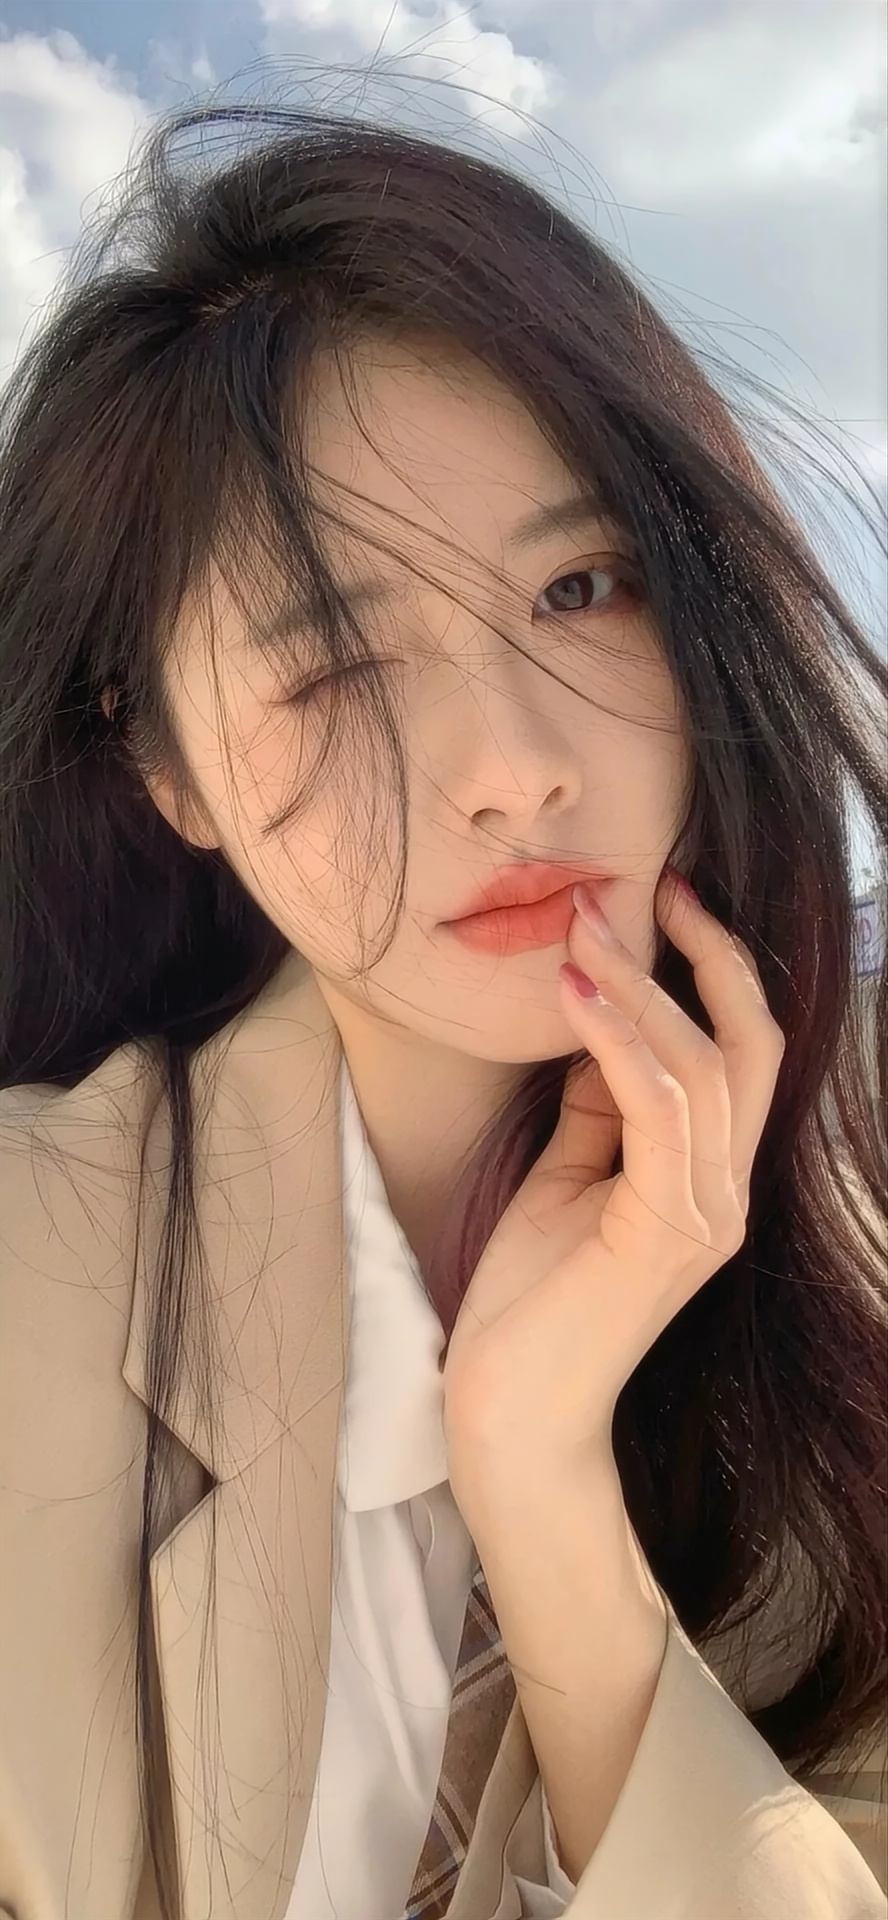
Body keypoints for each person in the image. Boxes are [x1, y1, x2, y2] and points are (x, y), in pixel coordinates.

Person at [0, 99, 885, 1920]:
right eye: (334, 663)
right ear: (162, 765)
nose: (511, 769)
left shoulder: (841, 1318)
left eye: (578, 588)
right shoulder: (31, 1277)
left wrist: (543, 1489)